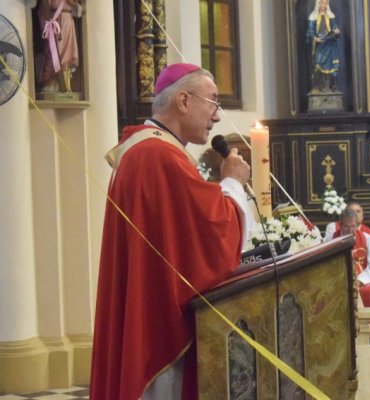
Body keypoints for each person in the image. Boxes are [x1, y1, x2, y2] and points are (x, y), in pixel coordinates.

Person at [89, 64, 254, 400]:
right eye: (213, 102)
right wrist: (233, 183)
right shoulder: (158, 155)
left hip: (150, 307)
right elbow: (212, 234)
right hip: (157, 324)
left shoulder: (148, 150)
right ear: (182, 100)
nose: (218, 116)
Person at [333, 208, 370, 339]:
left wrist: (360, 280)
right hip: (340, 278)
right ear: (340, 224)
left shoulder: (367, 239)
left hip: (363, 278)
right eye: (346, 226)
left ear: (357, 225)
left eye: (353, 226)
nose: (350, 230)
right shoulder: (332, 239)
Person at [37, 0, 82, 92]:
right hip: (55, 20)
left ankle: (66, 85)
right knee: (54, 52)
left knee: (68, 53)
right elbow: (44, 9)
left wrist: (72, 3)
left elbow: (78, 10)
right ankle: (52, 85)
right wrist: (47, 24)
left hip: (68, 20)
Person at [306, 0, 341, 93]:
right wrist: (315, 38)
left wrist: (336, 31)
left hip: (329, 43)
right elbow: (310, 31)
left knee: (330, 66)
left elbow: (334, 27)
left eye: (325, 3)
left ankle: (329, 86)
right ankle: (319, 86)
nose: (324, 5)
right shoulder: (313, 17)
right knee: (319, 63)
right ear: (318, 4)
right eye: (322, 3)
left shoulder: (330, 16)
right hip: (320, 44)